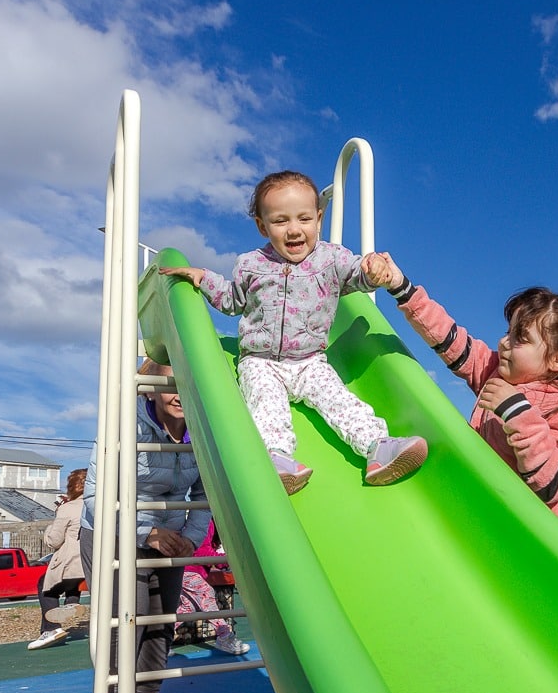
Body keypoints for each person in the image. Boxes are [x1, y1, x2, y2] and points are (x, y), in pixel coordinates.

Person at [160, 170, 426, 495]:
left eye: (303, 218)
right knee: (266, 407)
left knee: (340, 400)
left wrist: (373, 269)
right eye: (281, 221)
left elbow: (357, 274)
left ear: (318, 218)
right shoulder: (251, 264)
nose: (294, 230)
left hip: (311, 360)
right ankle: (278, 460)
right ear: (262, 226)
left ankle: (377, 447)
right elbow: (233, 300)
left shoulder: (332, 259)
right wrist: (204, 278)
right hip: (261, 361)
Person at [365, 253, 558, 542]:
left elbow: (552, 485)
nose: (504, 342)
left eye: (520, 339)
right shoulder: (495, 374)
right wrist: (402, 287)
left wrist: (517, 413)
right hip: (503, 521)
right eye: (507, 331)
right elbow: (451, 339)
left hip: (555, 542)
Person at [80, 359, 211, 693]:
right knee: (126, 620)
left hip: (168, 534)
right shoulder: (123, 426)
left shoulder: (202, 431)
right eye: (167, 385)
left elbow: (206, 494)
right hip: (114, 530)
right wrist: (146, 532)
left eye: (184, 385)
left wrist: (188, 536)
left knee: (160, 621)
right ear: (149, 389)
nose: (177, 394)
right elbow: (95, 497)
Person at [28, 467, 89, 650]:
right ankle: (71, 602)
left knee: (45, 586)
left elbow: (54, 541)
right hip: (90, 562)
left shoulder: (67, 508)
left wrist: (50, 525)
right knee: (73, 580)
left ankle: (51, 629)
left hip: (70, 560)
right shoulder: (99, 506)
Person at [175, 520, 250, 654]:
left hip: (185, 569)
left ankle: (157, 641)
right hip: (188, 569)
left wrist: (223, 562)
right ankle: (224, 636)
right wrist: (226, 560)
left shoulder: (212, 525)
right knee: (206, 593)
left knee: (187, 608)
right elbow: (201, 551)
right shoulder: (207, 523)